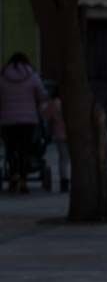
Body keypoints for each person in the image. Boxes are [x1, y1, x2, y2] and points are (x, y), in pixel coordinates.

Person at [0, 52, 48, 194]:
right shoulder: (32, 76)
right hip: (28, 120)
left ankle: (13, 174)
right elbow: (42, 95)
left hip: (7, 120)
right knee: (25, 150)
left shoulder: (2, 77)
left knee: (10, 149)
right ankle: (23, 180)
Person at [41, 84, 68, 193]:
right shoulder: (74, 102)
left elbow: (45, 115)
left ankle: (64, 182)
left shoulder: (55, 103)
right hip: (74, 134)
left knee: (63, 159)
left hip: (60, 134)